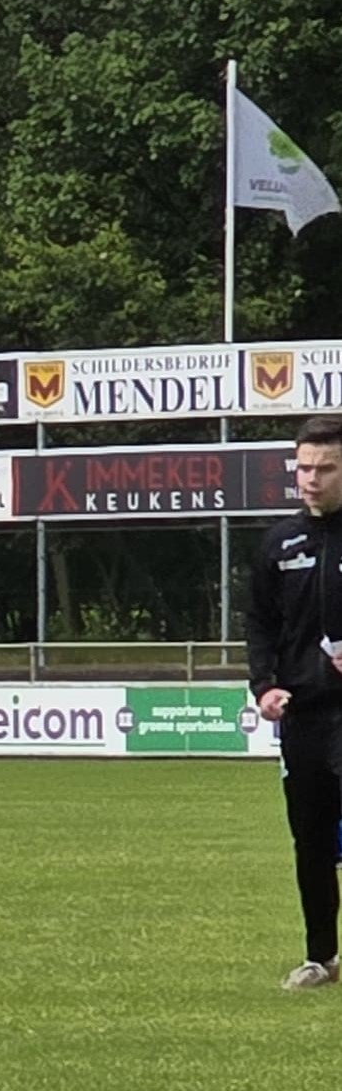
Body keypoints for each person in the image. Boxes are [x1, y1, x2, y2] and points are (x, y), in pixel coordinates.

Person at [249, 413, 342, 989]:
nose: (311, 479)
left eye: (326, 468)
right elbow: (260, 623)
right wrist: (264, 686)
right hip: (303, 717)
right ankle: (321, 958)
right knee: (309, 841)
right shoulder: (280, 541)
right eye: (304, 467)